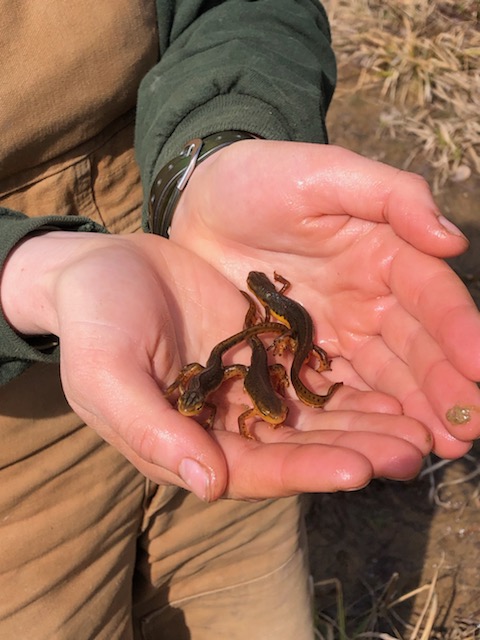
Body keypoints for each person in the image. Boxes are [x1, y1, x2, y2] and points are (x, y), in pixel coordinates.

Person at [1, 2, 479, 639]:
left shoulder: (266, 380)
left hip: (179, 246)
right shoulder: (260, 377)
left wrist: (217, 146)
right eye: (276, 406)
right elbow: (275, 365)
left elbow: (282, 364)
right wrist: (30, 271)